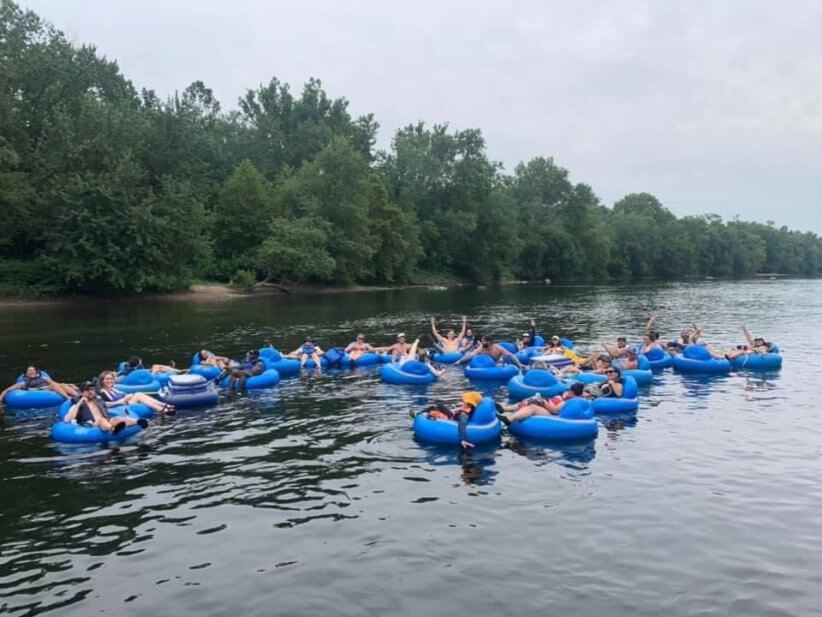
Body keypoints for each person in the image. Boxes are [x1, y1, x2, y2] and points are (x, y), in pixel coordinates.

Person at [63, 381, 148, 434]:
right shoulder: (77, 403)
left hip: (106, 421)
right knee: (101, 420)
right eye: (87, 390)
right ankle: (113, 429)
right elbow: (69, 419)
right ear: (82, 392)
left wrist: (119, 402)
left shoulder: (98, 399)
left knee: (117, 419)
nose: (91, 391)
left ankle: (138, 422)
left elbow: (107, 405)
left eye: (92, 389)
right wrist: (80, 402)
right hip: (91, 425)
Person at [496, 382, 587, 424]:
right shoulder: (568, 395)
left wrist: (543, 402)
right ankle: (504, 409)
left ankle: (509, 419)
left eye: (570, 390)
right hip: (548, 407)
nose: (568, 391)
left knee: (532, 407)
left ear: (573, 392)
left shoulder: (568, 401)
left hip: (554, 417)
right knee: (529, 400)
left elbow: (555, 411)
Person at [97, 371, 174, 413]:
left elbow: (123, 395)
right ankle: (162, 408)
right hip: (119, 407)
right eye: (107, 379)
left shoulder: (113, 388)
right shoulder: (102, 392)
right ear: (102, 381)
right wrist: (119, 401)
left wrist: (128, 396)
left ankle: (163, 406)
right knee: (138, 395)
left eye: (111, 379)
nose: (110, 381)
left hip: (125, 403)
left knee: (139, 394)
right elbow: (104, 404)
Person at [0, 365, 79, 404]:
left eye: (33, 370)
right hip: (35, 391)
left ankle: (78, 395)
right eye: (29, 371)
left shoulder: (44, 378)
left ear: (36, 372)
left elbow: (56, 383)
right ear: (26, 374)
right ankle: (67, 398)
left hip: (48, 389)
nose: (32, 372)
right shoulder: (23, 382)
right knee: (53, 385)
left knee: (63, 384)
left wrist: (70, 385)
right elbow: (6, 390)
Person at [705, 324, 775, 360]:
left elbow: (763, 350)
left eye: (760, 341)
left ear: (763, 341)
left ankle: (728, 357)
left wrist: (764, 353)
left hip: (752, 355)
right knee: (735, 350)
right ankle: (720, 355)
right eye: (757, 341)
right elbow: (749, 338)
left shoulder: (764, 346)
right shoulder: (753, 344)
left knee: (742, 351)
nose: (758, 342)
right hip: (747, 354)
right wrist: (745, 330)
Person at [456, 335, 526, 370]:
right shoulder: (481, 348)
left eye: (483, 341)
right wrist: (460, 361)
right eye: (482, 341)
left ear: (489, 342)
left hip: (496, 363)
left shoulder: (498, 348)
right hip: (484, 365)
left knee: (501, 362)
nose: (482, 342)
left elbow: (510, 355)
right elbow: (471, 354)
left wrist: (519, 364)